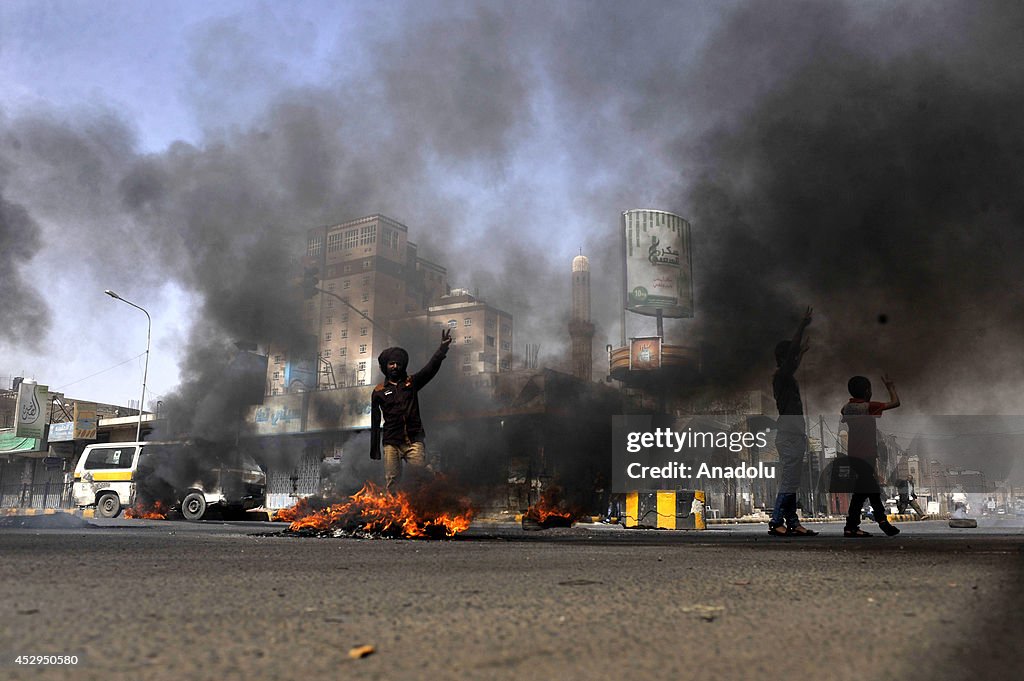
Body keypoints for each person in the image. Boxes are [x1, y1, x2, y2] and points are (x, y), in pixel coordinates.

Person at [370, 329, 452, 491]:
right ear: (386, 367)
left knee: (419, 478)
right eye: (391, 363)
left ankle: (419, 511)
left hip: (414, 441)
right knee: (392, 481)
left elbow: (430, 369)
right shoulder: (378, 391)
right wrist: (375, 450)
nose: (395, 366)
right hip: (391, 443)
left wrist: (442, 349)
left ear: (403, 366)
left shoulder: (411, 383)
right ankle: (394, 513)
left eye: (398, 364)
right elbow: (375, 421)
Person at [768, 306, 818, 537]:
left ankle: (793, 523)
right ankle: (776, 520)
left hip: (794, 435)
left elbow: (792, 362)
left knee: (792, 482)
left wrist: (802, 353)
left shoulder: (785, 378)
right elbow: (790, 361)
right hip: (789, 435)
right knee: (789, 481)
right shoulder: (781, 377)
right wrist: (801, 325)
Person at [841, 374, 902, 537]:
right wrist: (890, 387)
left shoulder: (846, 408)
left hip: (853, 455)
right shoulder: (868, 406)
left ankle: (853, 525)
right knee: (870, 490)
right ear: (868, 391)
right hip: (866, 455)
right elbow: (896, 403)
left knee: (862, 492)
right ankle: (881, 522)